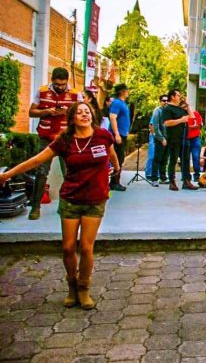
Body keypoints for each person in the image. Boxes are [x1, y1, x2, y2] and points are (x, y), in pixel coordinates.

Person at [0, 102, 120, 310]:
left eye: (87, 112)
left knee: (86, 247)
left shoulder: (102, 135)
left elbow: (111, 153)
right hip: (71, 199)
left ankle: (84, 289)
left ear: (92, 116)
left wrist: (116, 168)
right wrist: (7, 175)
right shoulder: (64, 141)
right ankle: (71, 287)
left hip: (95, 199)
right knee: (67, 247)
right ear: (72, 118)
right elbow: (37, 160)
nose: (84, 115)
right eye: (79, 112)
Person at [27, 67, 82, 220]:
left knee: (69, 173)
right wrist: (48, 111)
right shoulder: (42, 91)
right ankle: (35, 207)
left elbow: (83, 113)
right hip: (45, 137)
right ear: (52, 81)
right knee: (41, 171)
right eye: (57, 84)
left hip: (66, 138)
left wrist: (68, 113)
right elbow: (31, 112)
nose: (60, 87)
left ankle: (67, 207)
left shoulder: (76, 94)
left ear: (67, 82)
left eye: (63, 84)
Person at [161, 89, 197, 191]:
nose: (180, 97)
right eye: (178, 95)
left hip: (184, 138)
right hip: (173, 138)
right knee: (173, 160)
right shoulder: (167, 108)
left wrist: (187, 105)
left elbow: (192, 117)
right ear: (172, 96)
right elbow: (166, 123)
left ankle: (186, 181)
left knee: (185, 160)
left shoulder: (180, 109)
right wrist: (180, 120)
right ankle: (172, 181)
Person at [108, 83, 130, 192]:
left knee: (120, 158)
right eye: (126, 90)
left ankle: (115, 181)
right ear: (122, 91)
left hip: (122, 133)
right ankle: (114, 182)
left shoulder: (123, 103)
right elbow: (112, 118)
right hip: (118, 134)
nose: (128, 92)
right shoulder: (117, 103)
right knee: (118, 158)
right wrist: (116, 134)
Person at [149, 95, 169, 187]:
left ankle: (163, 177)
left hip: (168, 138)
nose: (165, 102)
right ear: (160, 101)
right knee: (157, 159)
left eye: (167, 100)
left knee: (165, 160)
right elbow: (155, 126)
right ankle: (154, 179)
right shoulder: (157, 111)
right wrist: (161, 138)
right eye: (163, 100)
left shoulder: (167, 111)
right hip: (160, 139)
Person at [186, 108, 204, 182]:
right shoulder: (182, 115)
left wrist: (189, 127)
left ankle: (196, 175)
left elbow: (199, 125)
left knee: (196, 157)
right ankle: (186, 175)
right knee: (185, 158)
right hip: (186, 138)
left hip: (195, 138)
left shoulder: (195, 114)